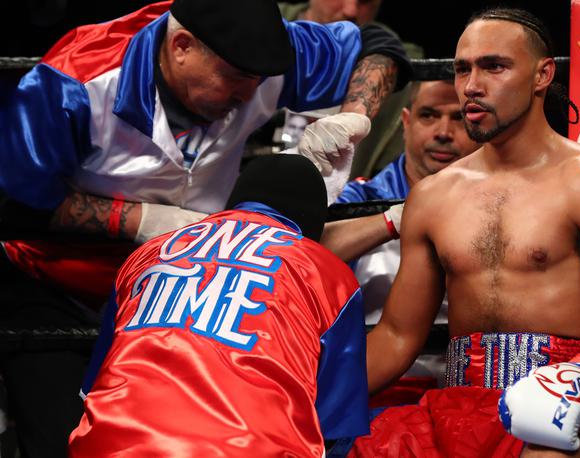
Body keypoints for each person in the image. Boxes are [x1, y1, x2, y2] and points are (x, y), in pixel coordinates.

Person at [0, 0, 409, 455]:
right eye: (234, 79)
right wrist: (140, 221)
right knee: (64, 441)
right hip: (60, 286)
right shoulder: (72, 84)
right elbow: (14, 202)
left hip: (194, 289)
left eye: (257, 82)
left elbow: (377, 45)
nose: (248, 94)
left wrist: (354, 114)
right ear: (181, 46)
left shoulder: (263, 57)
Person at [351, 8, 580, 457]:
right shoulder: (434, 196)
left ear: (542, 75)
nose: (472, 85)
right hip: (455, 407)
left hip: (575, 404)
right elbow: (397, 336)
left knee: (546, 452)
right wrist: (299, 393)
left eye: (494, 66)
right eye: (462, 69)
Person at [68, 154, 368, 456]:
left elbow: (92, 389)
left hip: (110, 446)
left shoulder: (148, 252)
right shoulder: (328, 274)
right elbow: (334, 428)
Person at [320, 80, 478, 396]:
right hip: (373, 392)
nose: (443, 132)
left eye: (458, 117)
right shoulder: (358, 198)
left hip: (469, 396)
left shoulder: (504, 201)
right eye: (429, 116)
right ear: (406, 122)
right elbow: (303, 254)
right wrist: (394, 220)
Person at [278, 0, 425, 179]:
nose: (351, 11)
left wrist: (350, 120)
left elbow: (381, 44)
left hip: (339, 197)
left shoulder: (403, 64)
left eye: (365, 1)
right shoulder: (263, 24)